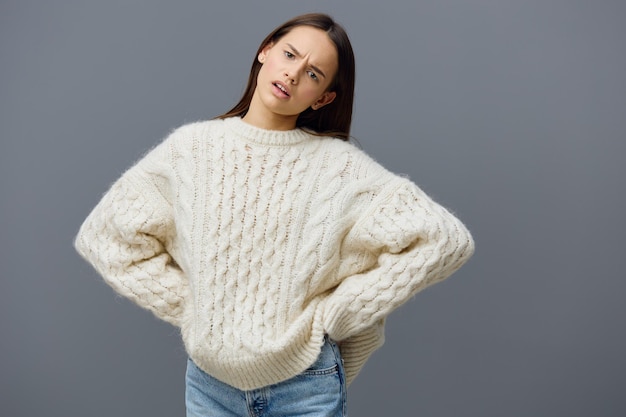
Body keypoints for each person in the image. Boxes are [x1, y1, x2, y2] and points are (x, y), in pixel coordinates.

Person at [74, 12, 474, 417]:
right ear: (265, 52)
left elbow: (443, 240)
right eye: (289, 54)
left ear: (323, 98)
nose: (293, 74)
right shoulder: (192, 149)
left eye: (314, 73)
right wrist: (194, 307)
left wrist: (340, 313)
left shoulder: (340, 168)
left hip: (305, 386)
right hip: (210, 386)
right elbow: (106, 237)